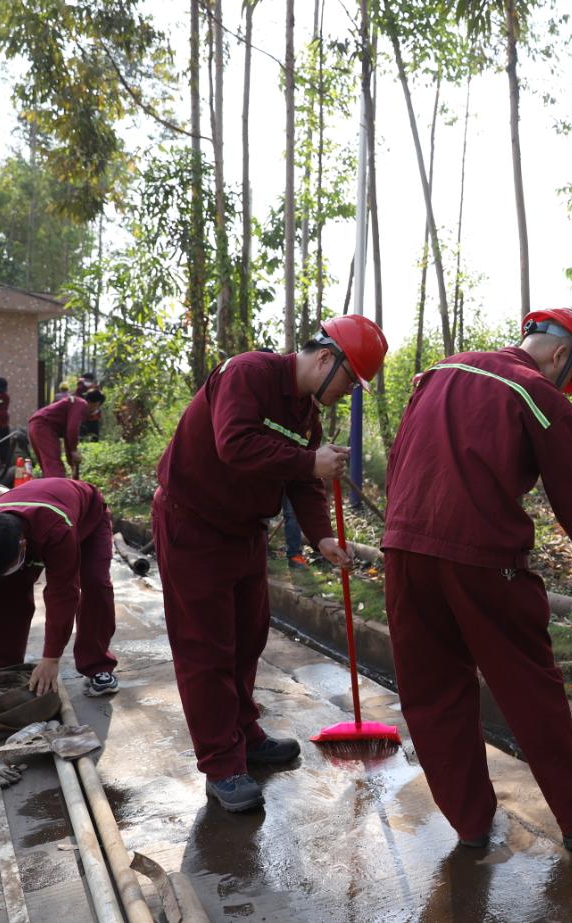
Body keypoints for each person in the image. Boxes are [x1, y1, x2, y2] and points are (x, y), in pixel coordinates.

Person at [382, 308, 572, 853]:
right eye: (566, 378)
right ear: (559, 354)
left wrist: (403, 531)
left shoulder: (437, 373)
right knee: (528, 685)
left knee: (432, 690)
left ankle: (471, 824)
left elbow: (401, 459)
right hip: (481, 557)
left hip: (404, 547)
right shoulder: (535, 393)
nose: (562, 387)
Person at [153, 316, 388, 812]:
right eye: (349, 381)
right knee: (206, 648)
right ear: (326, 359)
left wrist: (322, 537)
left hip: (244, 531)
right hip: (193, 525)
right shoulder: (248, 374)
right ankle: (221, 763)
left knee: (247, 637)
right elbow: (233, 443)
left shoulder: (306, 414)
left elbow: (303, 484)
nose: (348, 392)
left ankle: (243, 732)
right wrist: (309, 462)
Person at [0, 478, 119, 698]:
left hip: (87, 519)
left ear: (22, 545)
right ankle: (4, 668)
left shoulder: (55, 530)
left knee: (95, 583)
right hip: (36, 520)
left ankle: (98, 665)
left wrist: (51, 659)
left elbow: (63, 594)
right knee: (10, 594)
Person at [28, 389, 102, 478]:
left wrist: (72, 464)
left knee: (48, 465)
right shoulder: (81, 404)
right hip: (43, 425)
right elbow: (72, 429)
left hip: (37, 425)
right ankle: (59, 490)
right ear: (96, 404)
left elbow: (68, 435)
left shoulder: (76, 405)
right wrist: (74, 451)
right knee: (54, 465)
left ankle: (52, 489)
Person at [75, 373, 102, 443]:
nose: (88, 381)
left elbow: (101, 399)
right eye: (86, 380)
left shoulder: (96, 388)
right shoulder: (80, 388)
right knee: (82, 435)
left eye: (89, 380)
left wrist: (96, 407)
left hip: (93, 416)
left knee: (94, 436)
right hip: (83, 416)